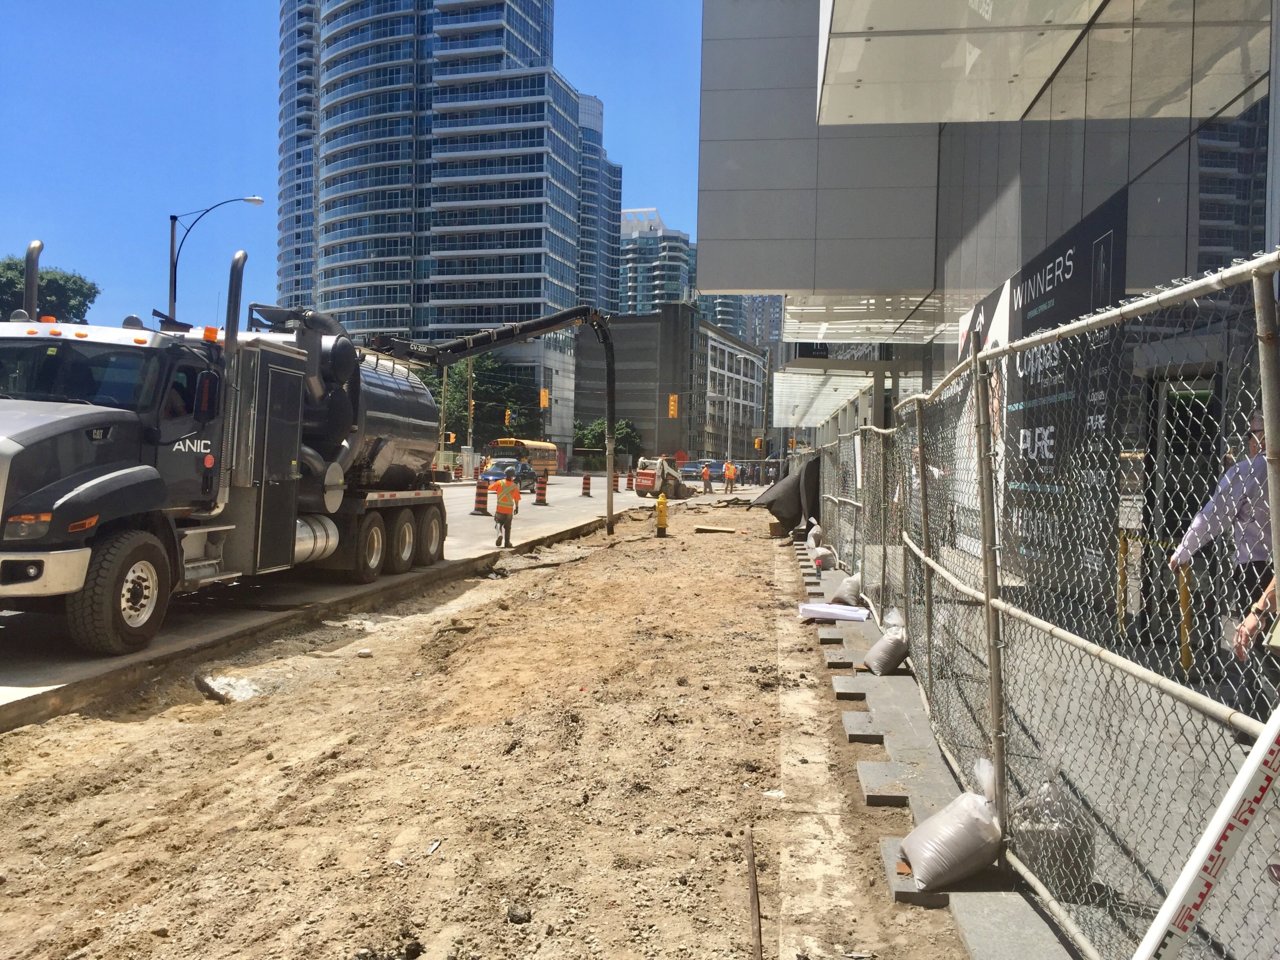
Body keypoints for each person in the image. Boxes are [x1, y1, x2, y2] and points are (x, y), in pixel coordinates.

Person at [1170, 410, 1271, 714]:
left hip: (1255, 567)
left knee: (1253, 645)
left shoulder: (1249, 471)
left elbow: (1213, 516)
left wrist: (1183, 551)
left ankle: (1255, 719)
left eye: (1254, 434)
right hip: (1269, 567)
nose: (1252, 441)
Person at [490, 465, 521, 548]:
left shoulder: (500, 483)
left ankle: (499, 534)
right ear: (513, 476)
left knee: (498, 523)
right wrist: (517, 508)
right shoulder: (515, 486)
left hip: (500, 509)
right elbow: (517, 499)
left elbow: (490, 488)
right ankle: (507, 543)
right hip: (509, 511)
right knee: (508, 527)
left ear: (505, 474)